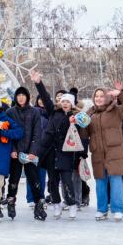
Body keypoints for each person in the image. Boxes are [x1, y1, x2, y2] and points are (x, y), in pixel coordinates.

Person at [31, 70, 84, 220]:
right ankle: (56, 203)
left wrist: (74, 123)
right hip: (49, 152)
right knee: (52, 181)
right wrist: (38, 83)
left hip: (65, 153)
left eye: (68, 101)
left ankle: (72, 203)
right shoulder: (53, 112)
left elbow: (79, 133)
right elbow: (46, 98)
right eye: (63, 101)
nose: (65, 103)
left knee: (67, 181)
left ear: (72, 104)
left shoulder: (75, 117)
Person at [80, 81, 123, 222]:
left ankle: (118, 209)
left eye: (101, 96)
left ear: (107, 98)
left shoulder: (116, 110)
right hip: (98, 152)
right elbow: (84, 135)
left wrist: (120, 94)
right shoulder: (90, 113)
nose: (98, 98)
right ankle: (102, 209)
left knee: (115, 180)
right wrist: (79, 124)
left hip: (114, 151)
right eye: (96, 96)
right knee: (100, 182)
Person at [5, 86, 47, 221]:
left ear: (28, 97)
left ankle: (38, 204)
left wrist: (33, 152)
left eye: (24, 95)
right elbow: (8, 133)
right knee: (14, 180)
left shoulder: (34, 112)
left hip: (30, 153)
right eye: (19, 95)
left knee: (35, 180)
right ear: (16, 97)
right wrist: (13, 150)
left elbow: (37, 133)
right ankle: (11, 202)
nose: (21, 97)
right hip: (16, 153)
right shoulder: (10, 112)